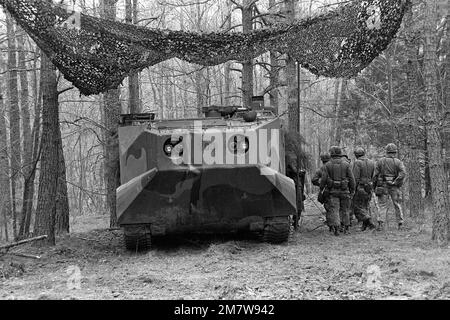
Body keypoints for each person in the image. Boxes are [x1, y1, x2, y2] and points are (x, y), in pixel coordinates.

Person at [320, 146, 355, 236]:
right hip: (345, 191)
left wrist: (321, 189)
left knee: (334, 210)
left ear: (331, 154)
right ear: (340, 153)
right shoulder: (347, 164)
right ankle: (346, 229)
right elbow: (351, 178)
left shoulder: (327, 165)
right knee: (345, 210)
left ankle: (336, 229)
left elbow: (323, 179)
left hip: (333, 192)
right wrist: (352, 189)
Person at [373, 143, 406, 230]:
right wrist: (395, 182)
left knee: (382, 205)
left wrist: (374, 186)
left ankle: (380, 224)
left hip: (382, 186)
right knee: (397, 204)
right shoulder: (398, 162)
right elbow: (403, 173)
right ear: (395, 152)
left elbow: (375, 175)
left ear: (386, 151)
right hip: (394, 187)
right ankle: (400, 224)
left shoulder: (380, 161)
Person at [352, 147, 376, 231]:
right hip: (369, 187)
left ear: (356, 155)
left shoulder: (357, 162)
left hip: (361, 187)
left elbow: (355, 178)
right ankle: (365, 226)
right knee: (365, 206)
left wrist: (353, 189)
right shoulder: (371, 162)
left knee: (357, 207)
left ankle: (369, 220)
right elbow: (373, 175)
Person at [312, 153, 332, 231]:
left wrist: (321, 185)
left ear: (322, 160)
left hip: (326, 191)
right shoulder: (334, 167)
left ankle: (331, 225)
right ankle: (339, 225)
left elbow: (314, 180)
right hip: (338, 190)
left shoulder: (321, 169)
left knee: (328, 208)